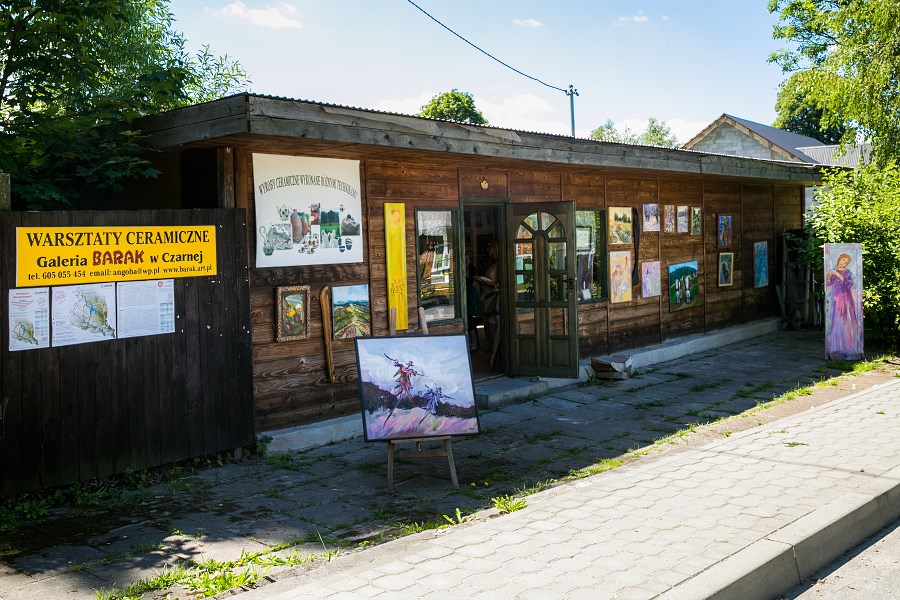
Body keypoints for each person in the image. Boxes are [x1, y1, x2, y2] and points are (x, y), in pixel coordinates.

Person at [826, 253, 861, 358]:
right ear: (839, 259)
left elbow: (849, 284)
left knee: (847, 321)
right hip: (836, 299)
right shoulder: (832, 271)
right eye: (843, 260)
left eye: (846, 262)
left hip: (846, 299)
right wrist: (829, 276)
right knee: (837, 321)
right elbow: (828, 284)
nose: (843, 263)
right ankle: (836, 347)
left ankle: (849, 347)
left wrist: (838, 275)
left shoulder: (847, 272)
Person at [477, 241, 500, 353]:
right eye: (487, 247)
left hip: (494, 298)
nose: (488, 249)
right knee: (488, 324)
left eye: (490, 247)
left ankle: (495, 352)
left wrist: (483, 280)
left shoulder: (499, 264)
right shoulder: (492, 263)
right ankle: (492, 350)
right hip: (488, 296)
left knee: (492, 324)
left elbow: (498, 284)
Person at [465, 251, 480, 350]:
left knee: (470, 319)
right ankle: (469, 341)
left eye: (468, 259)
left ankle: (473, 342)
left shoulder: (472, 268)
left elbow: (470, 280)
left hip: (470, 296)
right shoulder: (461, 267)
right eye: (465, 259)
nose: (466, 261)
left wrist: (466, 267)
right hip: (464, 295)